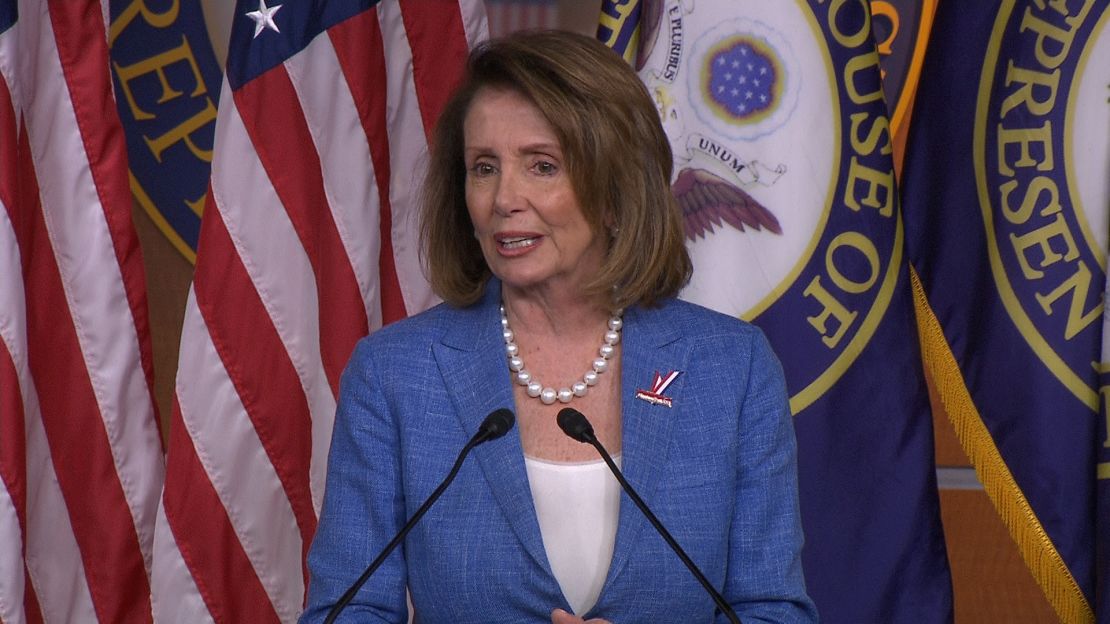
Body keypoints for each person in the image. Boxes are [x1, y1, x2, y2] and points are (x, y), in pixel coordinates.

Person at [300, 30, 817, 624]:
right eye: (483, 168)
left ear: (616, 192)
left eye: (542, 166)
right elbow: (345, 612)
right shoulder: (394, 375)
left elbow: (775, 612)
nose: (503, 198)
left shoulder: (732, 368)